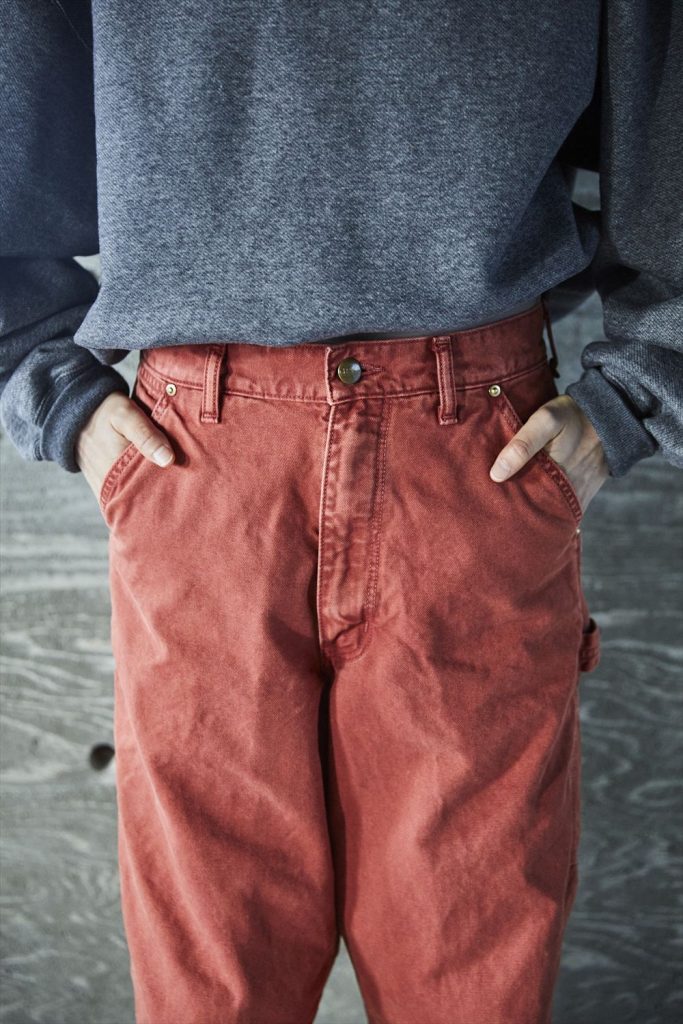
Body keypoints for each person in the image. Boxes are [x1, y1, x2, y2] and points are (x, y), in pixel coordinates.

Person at [1, 2, 680, 1022]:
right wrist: (51, 386)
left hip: (474, 457)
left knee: (469, 983)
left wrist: (635, 386)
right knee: (211, 991)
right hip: (199, 463)